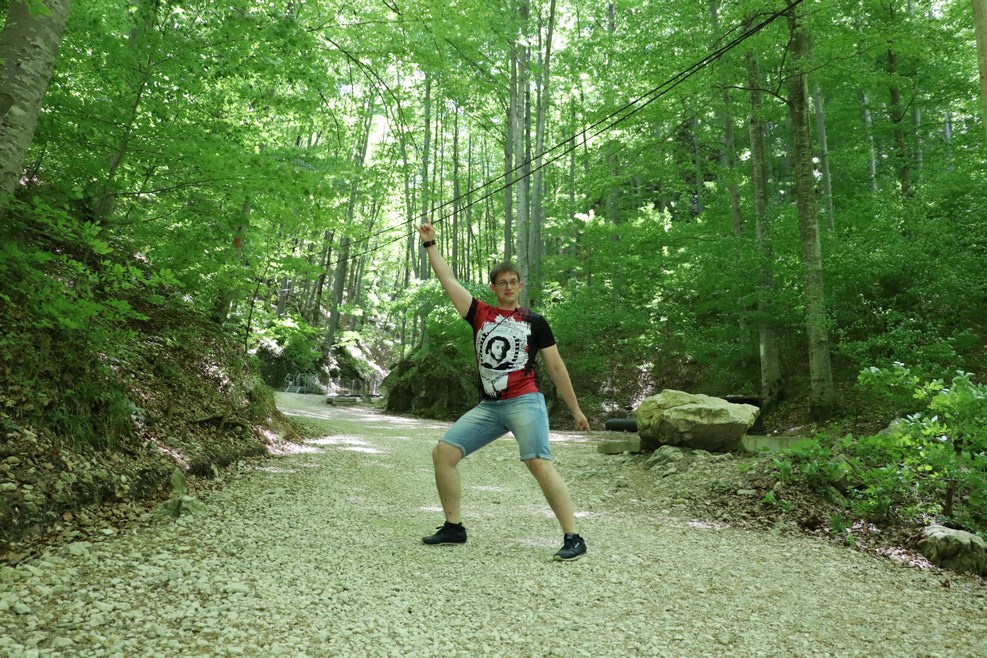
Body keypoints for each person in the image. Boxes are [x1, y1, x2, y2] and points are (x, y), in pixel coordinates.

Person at [416, 218, 590, 561]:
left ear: (520, 286)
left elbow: (556, 367)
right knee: (444, 453)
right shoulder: (478, 313)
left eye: (513, 282)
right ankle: (454, 527)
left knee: (537, 461)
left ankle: (574, 537)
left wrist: (576, 410)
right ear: (493, 288)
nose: (508, 287)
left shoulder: (535, 322)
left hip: (525, 400)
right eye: (502, 282)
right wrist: (429, 243)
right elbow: (447, 279)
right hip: (490, 406)